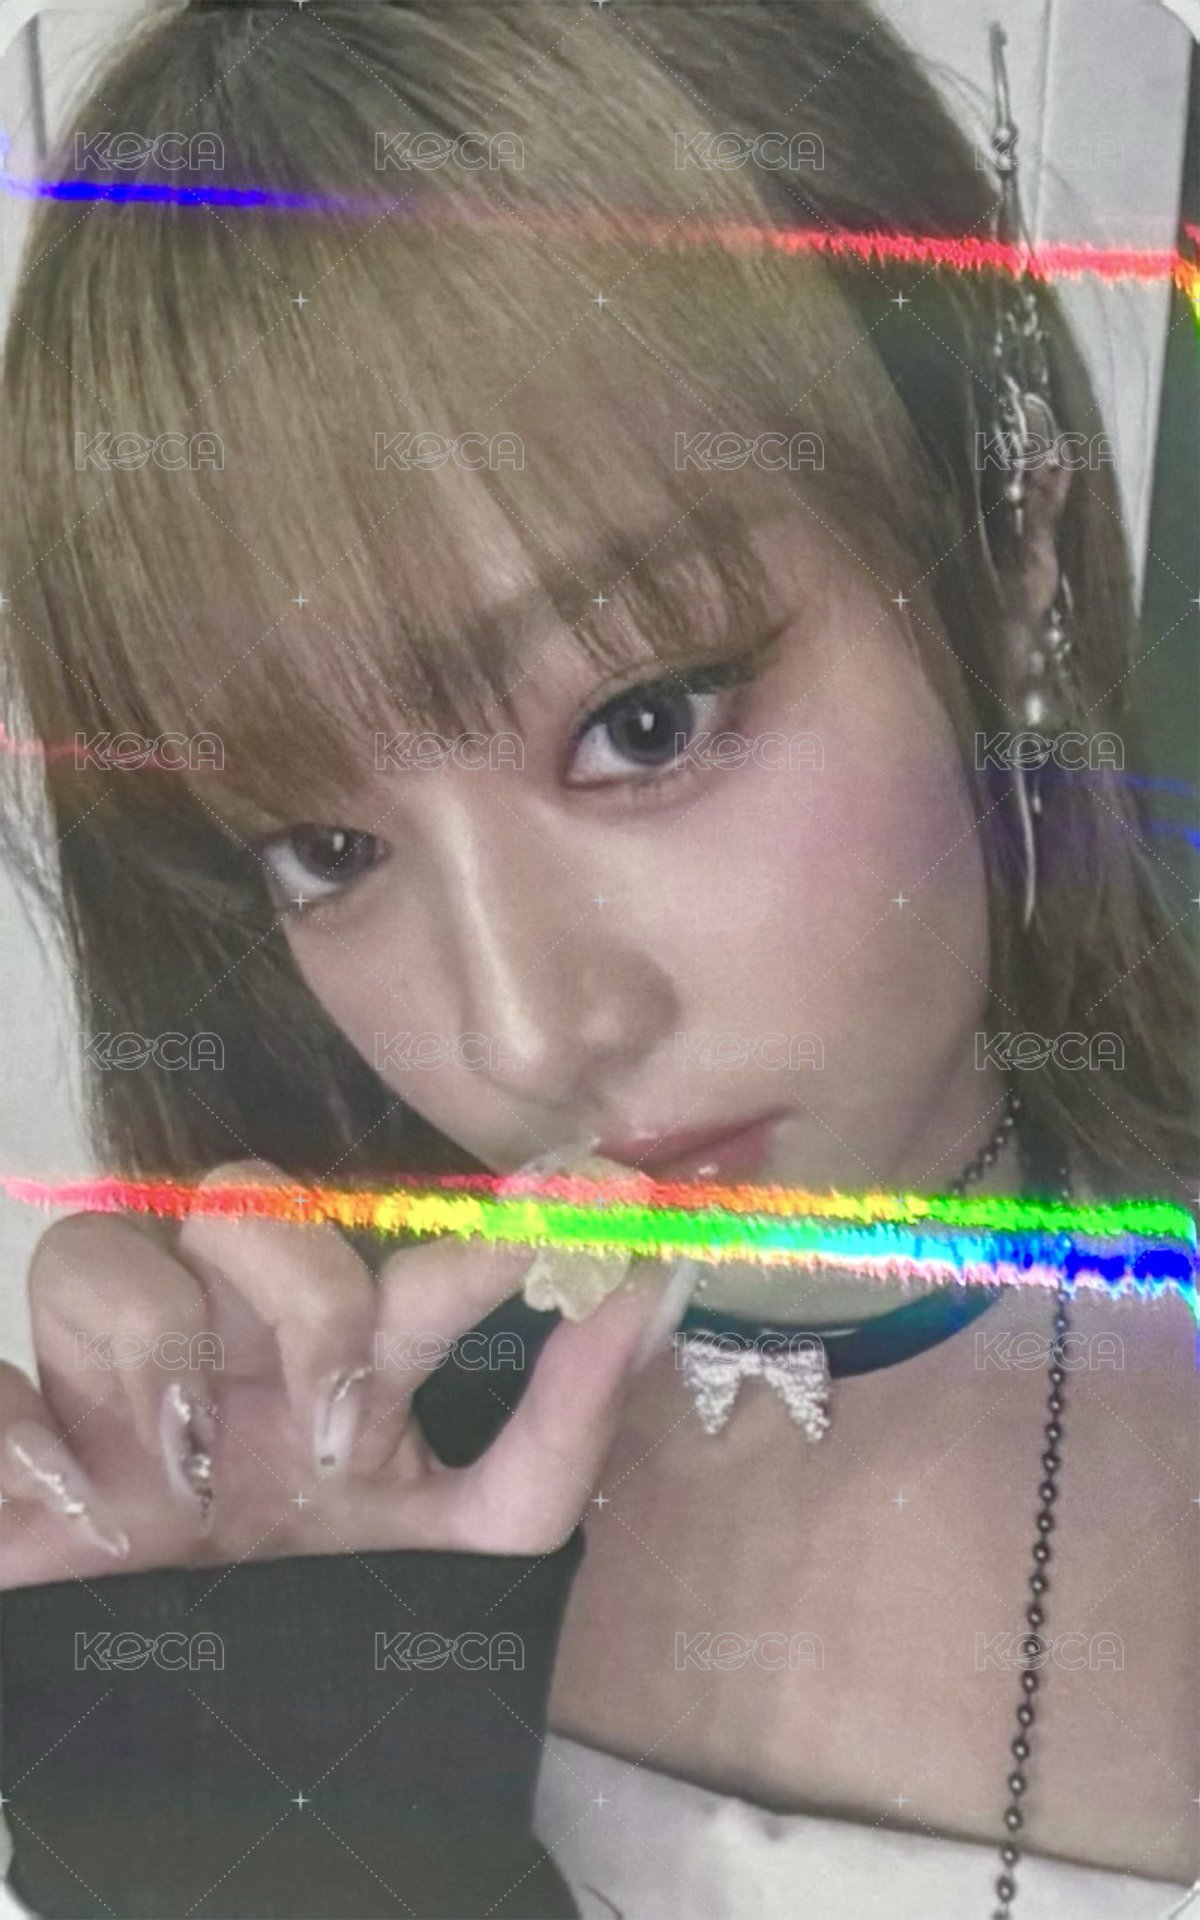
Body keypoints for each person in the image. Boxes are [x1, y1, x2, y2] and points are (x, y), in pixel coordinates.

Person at [0, 3, 1195, 1916]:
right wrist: (230, 1843)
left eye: (646, 721)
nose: (524, 1033)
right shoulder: (322, 1491)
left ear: (1007, 547)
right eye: (326, 850)